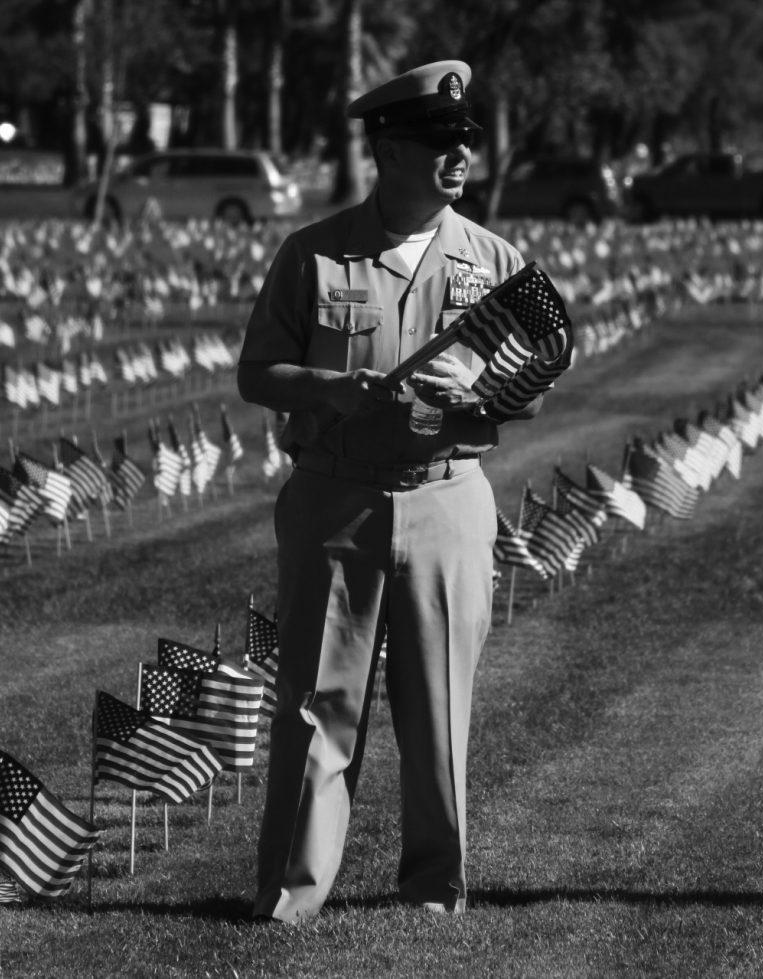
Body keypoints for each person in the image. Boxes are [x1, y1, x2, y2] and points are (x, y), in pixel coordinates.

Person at [237, 59, 542, 922]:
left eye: (466, 141)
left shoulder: (495, 261)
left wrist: (483, 398)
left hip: (448, 496)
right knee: (317, 703)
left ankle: (435, 888)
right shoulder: (314, 253)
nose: (459, 156)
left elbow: (534, 381)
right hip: (338, 496)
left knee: (440, 705)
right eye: (440, 141)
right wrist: (325, 389)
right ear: (389, 149)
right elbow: (257, 371)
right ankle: (293, 893)